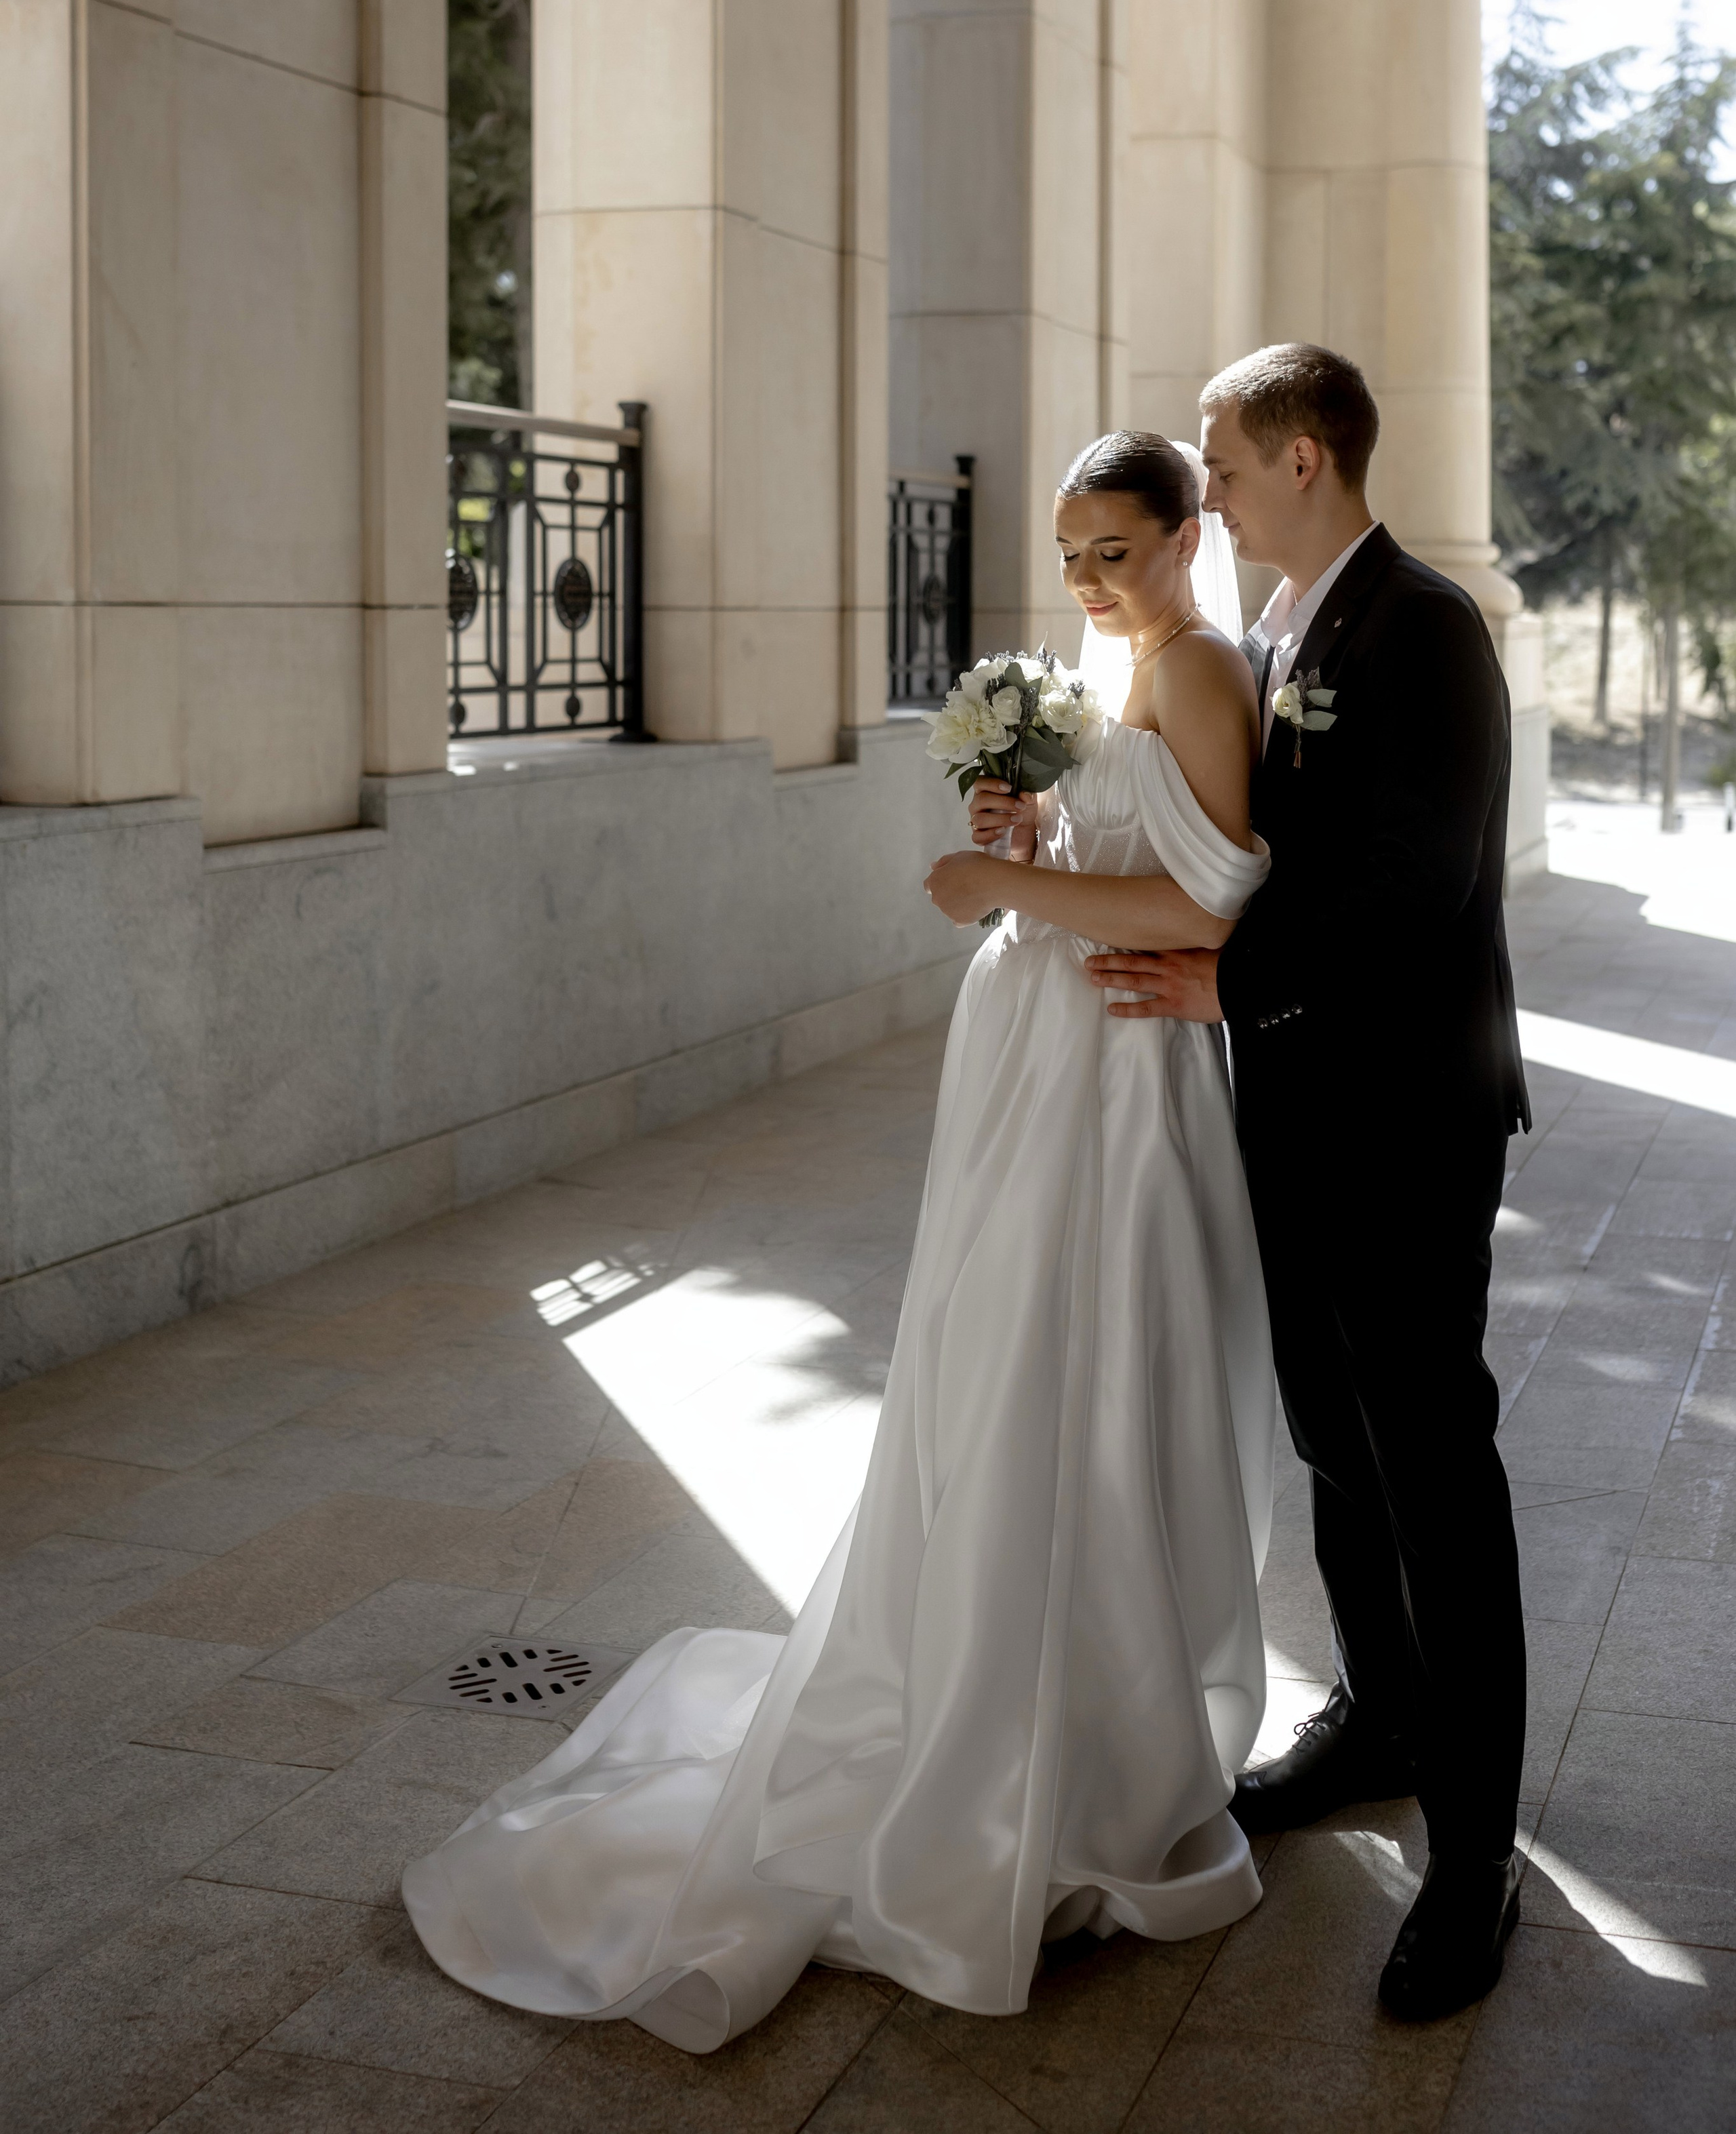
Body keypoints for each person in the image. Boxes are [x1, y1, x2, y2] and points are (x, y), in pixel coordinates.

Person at [401, 433, 1278, 2049]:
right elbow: (1114, 855)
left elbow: (1214, 908)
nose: (1088, 578)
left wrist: (980, 886)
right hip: (1037, 1058)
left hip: (1117, 1074)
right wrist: (1024, 844)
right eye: (1071, 551)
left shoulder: (1207, 670)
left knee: (1072, 1373)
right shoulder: (1117, 663)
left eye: (1117, 549)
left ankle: (1071, 1739)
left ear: (1184, 537)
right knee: (991, 1365)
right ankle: (997, 1681)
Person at [1084, 343, 1531, 2023]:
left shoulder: (1421, 625)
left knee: (1428, 1463)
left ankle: (1472, 1853)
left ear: (1300, 456)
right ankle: (1381, 1716)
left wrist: (1231, 986)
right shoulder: (1273, 631)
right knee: (1332, 1439)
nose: (1197, 482)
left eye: (1215, 451)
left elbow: (1412, 890)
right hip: (1283, 1107)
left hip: (1406, 1120)